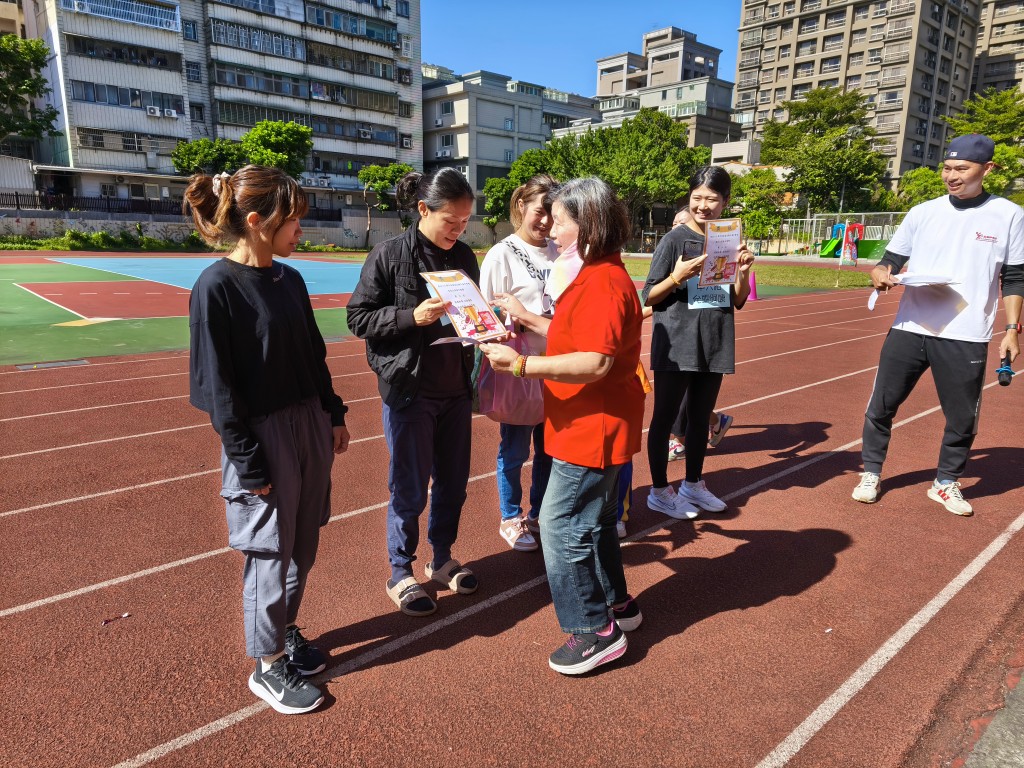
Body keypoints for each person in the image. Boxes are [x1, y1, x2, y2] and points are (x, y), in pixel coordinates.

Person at [185, 166, 351, 715]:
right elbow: (217, 389)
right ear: (257, 221)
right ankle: (267, 664)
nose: (301, 229)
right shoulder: (216, 287)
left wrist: (332, 413)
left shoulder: (291, 280)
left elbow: (313, 356)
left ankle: (285, 629)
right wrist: (249, 463)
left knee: (303, 543)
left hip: (307, 423)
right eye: (293, 220)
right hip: (261, 435)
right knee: (269, 551)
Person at [481, 177, 645, 675]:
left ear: (587, 223)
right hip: (590, 421)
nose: (551, 228)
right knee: (596, 522)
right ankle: (616, 603)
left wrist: (520, 365)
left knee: (559, 526)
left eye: (561, 220)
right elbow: (575, 336)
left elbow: (594, 361)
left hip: (590, 427)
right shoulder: (598, 272)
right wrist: (527, 319)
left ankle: (593, 631)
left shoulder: (602, 282)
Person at [852, 134, 1023, 515]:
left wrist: (1012, 330)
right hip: (910, 326)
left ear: (987, 169)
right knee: (881, 406)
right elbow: (890, 260)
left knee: (962, 418)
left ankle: (945, 482)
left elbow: (1014, 277)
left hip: (967, 332)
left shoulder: (1009, 215)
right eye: (947, 168)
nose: (952, 176)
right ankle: (871, 472)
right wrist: (881, 273)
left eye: (962, 168)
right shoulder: (923, 212)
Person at [347, 168, 480, 617]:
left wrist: (486, 324)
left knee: (453, 484)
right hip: (410, 391)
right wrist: (411, 317)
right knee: (409, 486)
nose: (458, 230)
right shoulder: (388, 255)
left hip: (455, 390)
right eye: (451, 221)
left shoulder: (464, 256)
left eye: (465, 222)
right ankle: (400, 570)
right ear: (423, 209)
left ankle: (441, 559)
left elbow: (470, 313)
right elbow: (358, 317)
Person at [643, 166, 755, 520]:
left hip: (714, 339)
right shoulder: (674, 239)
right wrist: (677, 277)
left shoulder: (728, 240)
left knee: (699, 419)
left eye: (712, 199)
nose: (703, 206)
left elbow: (737, 300)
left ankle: (693, 483)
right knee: (664, 419)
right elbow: (649, 295)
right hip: (677, 342)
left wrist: (744, 271)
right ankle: (659, 491)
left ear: (726, 201)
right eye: (697, 198)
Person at [479, 175, 560, 552]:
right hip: (520, 364)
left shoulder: (562, 250)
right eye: (540, 210)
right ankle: (511, 516)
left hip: (559, 362)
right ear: (521, 205)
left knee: (550, 447)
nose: (546, 221)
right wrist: (511, 324)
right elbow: (484, 314)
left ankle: (541, 512)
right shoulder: (502, 254)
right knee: (514, 448)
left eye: (554, 213)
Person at [666, 207, 733, 462]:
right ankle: (715, 420)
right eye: (674, 223)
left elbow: (729, 296)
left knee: (687, 393)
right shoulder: (671, 250)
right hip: (675, 330)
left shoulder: (709, 254)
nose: (676, 228)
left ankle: (679, 441)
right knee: (683, 394)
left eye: (681, 223)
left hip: (699, 331)